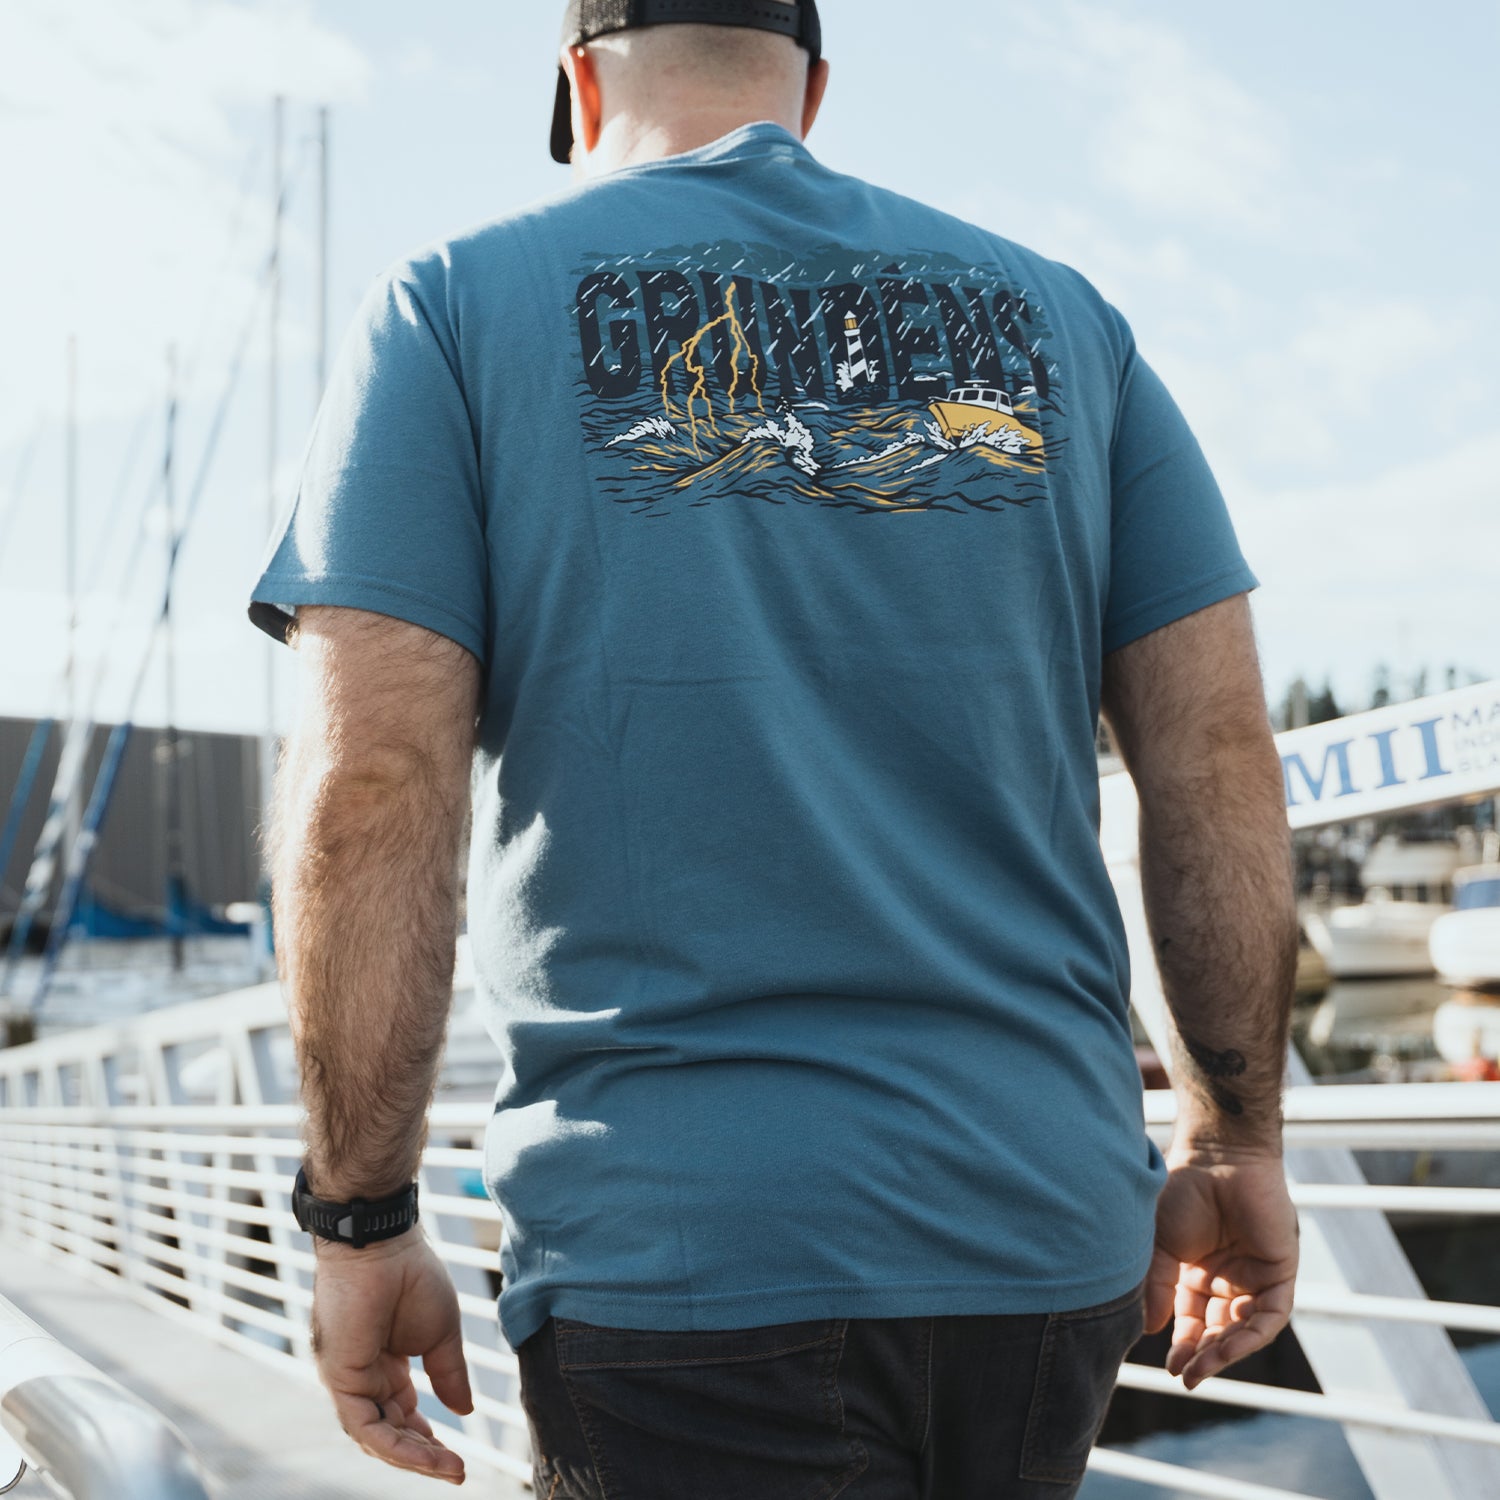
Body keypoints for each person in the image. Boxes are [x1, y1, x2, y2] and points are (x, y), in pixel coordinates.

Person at [251, 2, 1301, 1493]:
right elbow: (1218, 765)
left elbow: (372, 789)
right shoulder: (1072, 323)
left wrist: (360, 1219)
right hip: (1040, 1238)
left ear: (577, 80)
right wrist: (1234, 1145)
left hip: (678, 1253)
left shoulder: (451, 306)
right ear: (811, 88)